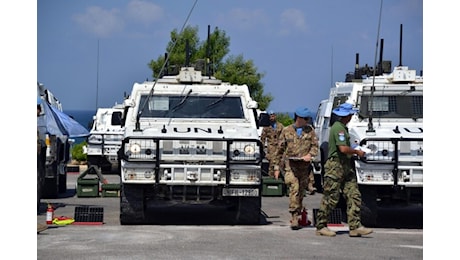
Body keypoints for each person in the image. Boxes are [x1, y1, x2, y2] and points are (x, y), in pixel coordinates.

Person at [315, 103, 373, 237]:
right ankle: (321, 226)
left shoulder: (343, 128)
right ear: (347, 115)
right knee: (331, 198)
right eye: (351, 114)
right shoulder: (338, 129)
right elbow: (343, 149)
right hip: (336, 166)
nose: (352, 116)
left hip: (345, 166)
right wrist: (357, 152)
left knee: (354, 195)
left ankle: (355, 226)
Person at [272, 107, 318, 230]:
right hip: (290, 166)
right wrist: (276, 167)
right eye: (306, 118)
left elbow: (315, 147)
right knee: (294, 188)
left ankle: (299, 212)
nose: (308, 120)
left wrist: (310, 155)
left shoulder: (310, 131)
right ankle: (294, 217)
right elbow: (279, 150)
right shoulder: (287, 131)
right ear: (299, 118)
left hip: (304, 167)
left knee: (301, 192)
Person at [260, 110, 284, 178]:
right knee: (272, 164)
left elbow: (284, 136)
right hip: (271, 147)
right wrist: (262, 151)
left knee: (280, 163)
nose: (272, 117)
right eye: (270, 116)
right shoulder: (266, 127)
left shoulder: (280, 126)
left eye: (273, 115)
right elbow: (263, 139)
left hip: (279, 147)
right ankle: (271, 179)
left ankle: (279, 178)